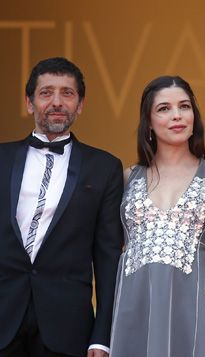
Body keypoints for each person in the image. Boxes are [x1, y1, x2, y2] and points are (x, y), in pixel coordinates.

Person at [0, 57, 123, 356]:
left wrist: (102, 335)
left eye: (67, 93)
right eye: (46, 93)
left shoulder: (104, 167)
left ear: (80, 104)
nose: (57, 102)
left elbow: (107, 257)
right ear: (30, 103)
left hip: (68, 327)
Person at [109, 76, 205, 356]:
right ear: (149, 122)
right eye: (164, 108)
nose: (177, 116)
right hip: (134, 303)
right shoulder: (126, 178)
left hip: (192, 302)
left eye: (184, 106)